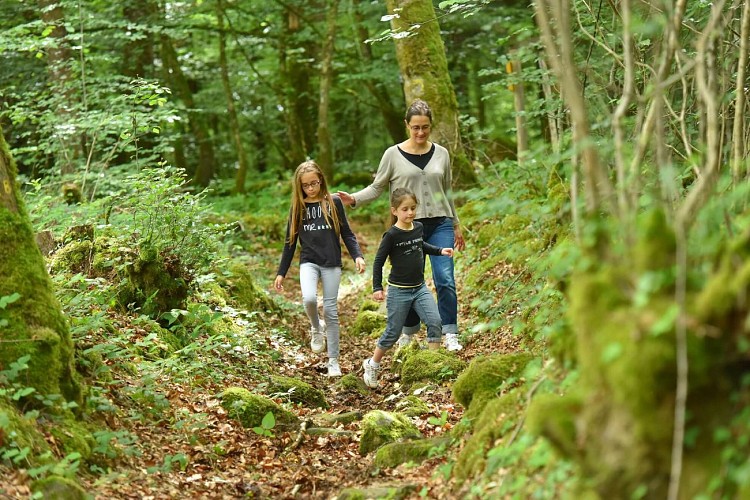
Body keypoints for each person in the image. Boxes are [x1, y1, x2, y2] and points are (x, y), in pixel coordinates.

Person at [338, 99, 464, 352]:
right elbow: (377, 187)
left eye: (425, 127)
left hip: (441, 223)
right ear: (406, 125)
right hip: (407, 228)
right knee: (408, 280)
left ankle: (449, 332)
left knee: (445, 279)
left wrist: (456, 225)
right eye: (415, 127)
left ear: (431, 126)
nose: (420, 133)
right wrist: (354, 199)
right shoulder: (392, 154)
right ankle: (409, 332)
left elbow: (447, 191)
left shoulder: (442, 153)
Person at [275, 160, 366, 377]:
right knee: (308, 299)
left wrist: (358, 256)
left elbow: (347, 234)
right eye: (306, 185)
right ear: (300, 187)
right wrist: (281, 272)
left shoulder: (333, 203)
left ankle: (333, 360)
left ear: (321, 181)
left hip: (331, 262)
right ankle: (316, 327)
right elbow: (290, 242)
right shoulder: (298, 207)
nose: (311, 188)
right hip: (309, 261)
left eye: (314, 183)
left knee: (331, 310)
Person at [362, 188, 454, 388]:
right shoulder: (392, 235)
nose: (410, 213)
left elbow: (422, 245)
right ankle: (372, 364)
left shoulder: (418, 227)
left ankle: (433, 365)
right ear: (395, 211)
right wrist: (377, 286)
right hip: (398, 290)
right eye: (405, 209)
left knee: (435, 320)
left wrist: (440, 250)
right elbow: (378, 262)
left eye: (413, 208)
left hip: (419, 288)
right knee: (393, 332)